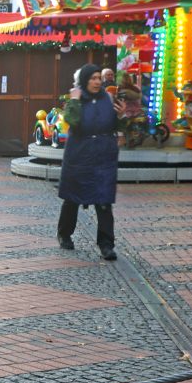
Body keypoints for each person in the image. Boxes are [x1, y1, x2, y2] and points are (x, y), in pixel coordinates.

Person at [57, 64, 121, 261]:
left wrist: (121, 116)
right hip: (80, 155)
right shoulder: (76, 98)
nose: (96, 81)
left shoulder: (107, 98)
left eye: (98, 78)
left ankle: (106, 244)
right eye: (92, 78)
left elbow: (113, 125)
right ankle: (64, 234)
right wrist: (74, 101)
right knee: (72, 198)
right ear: (85, 80)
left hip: (103, 156)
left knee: (104, 201)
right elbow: (72, 121)